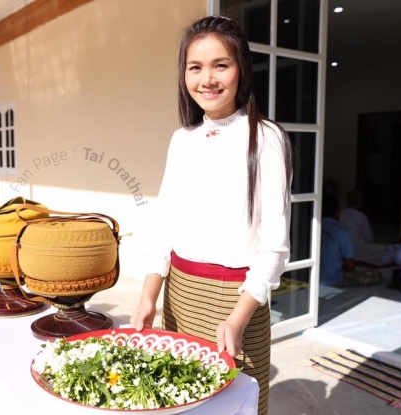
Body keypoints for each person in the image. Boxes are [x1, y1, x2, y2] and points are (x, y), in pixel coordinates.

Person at [130, 16, 292, 415]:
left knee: (236, 404)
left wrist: (237, 320)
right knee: (177, 398)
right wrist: (149, 297)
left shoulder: (267, 137)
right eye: (195, 67)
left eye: (221, 65)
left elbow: (274, 244)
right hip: (179, 295)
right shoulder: (182, 139)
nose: (207, 79)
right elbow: (165, 222)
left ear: (241, 69)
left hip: (238, 301)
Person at [320, 194, 381, 287]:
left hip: (311, 278)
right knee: (374, 275)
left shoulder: (313, 228)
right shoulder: (342, 233)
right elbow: (350, 265)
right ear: (338, 212)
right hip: (334, 280)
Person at [338, 189, 395, 267]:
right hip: (358, 249)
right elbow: (369, 238)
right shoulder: (360, 216)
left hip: (343, 249)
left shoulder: (340, 214)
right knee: (383, 249)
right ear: (360, 202)